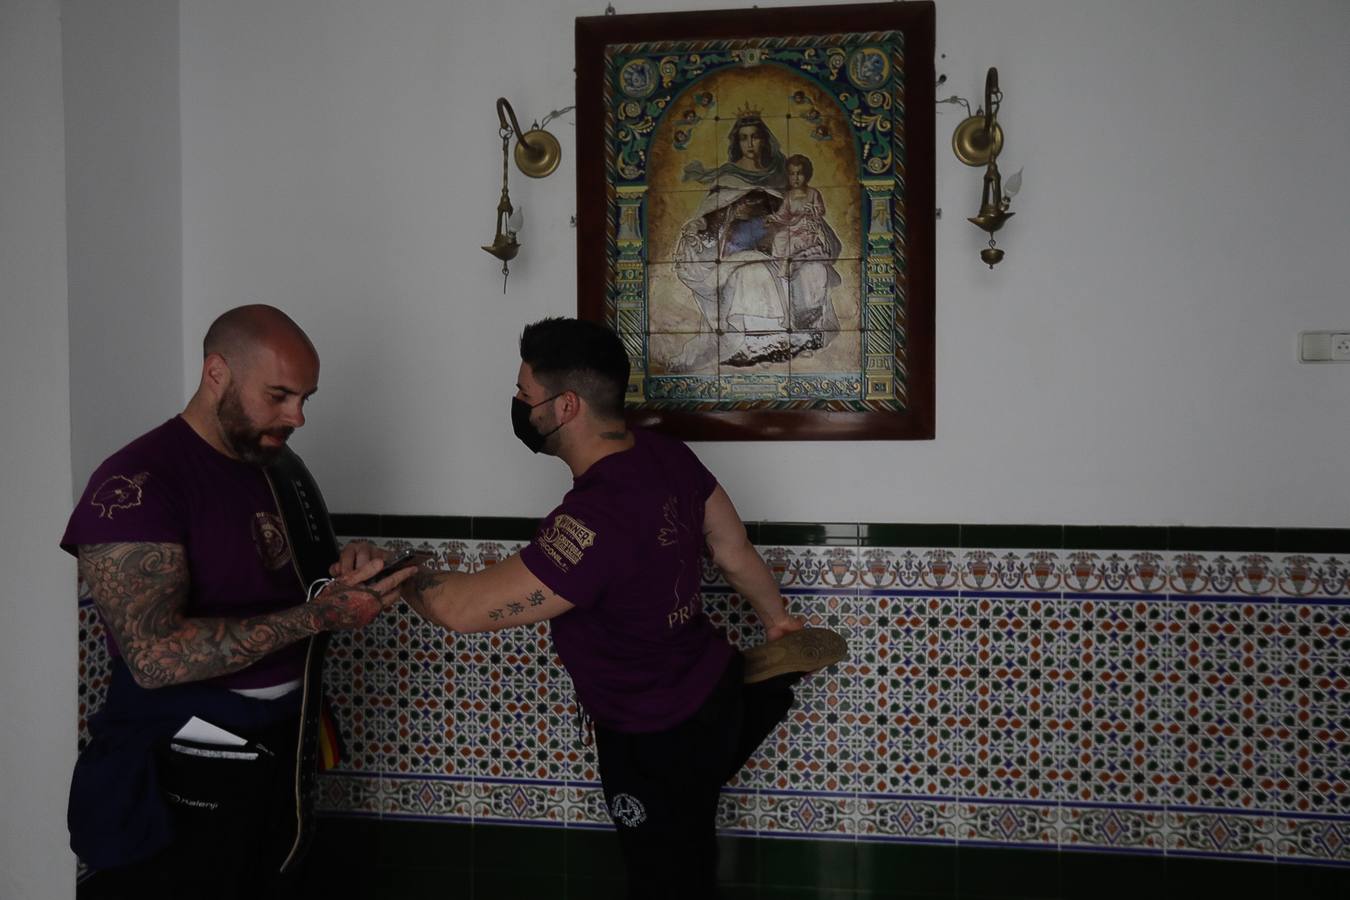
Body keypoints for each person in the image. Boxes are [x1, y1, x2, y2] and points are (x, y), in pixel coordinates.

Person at [400, 316, 846, 899]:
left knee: (664, 878)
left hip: (653, 735)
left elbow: (460, 610)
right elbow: (732, 552)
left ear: (564, 407)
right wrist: (777, 621)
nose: (516, 404)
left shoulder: (590, 520)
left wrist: (393, 576)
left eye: (522, 395)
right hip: (711, 690)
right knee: (687, 855)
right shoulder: (668, 455)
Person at [63, 305, 415, 899]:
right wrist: (322, 615)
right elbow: (153, 658)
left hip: (281, 759)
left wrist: (348, 568)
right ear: (217, 373)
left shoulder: (276, 467)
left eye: (306, 397)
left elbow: (296, 586)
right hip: (175, 776)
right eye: (279, 394)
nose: (297, 415)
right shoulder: (137, 483)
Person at [672, 114, 841, 371]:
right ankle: (754, 345)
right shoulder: (728, 179)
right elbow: (711, 220)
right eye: (743, 138)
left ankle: (796, 338)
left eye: (755, 137)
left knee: (811, 270)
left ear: (764, 140)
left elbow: (793, 212)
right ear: (736, 143)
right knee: (753, 274)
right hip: (738, 251)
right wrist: (698, 226)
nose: (749, 144)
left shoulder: (780, 176)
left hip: (777, 247)